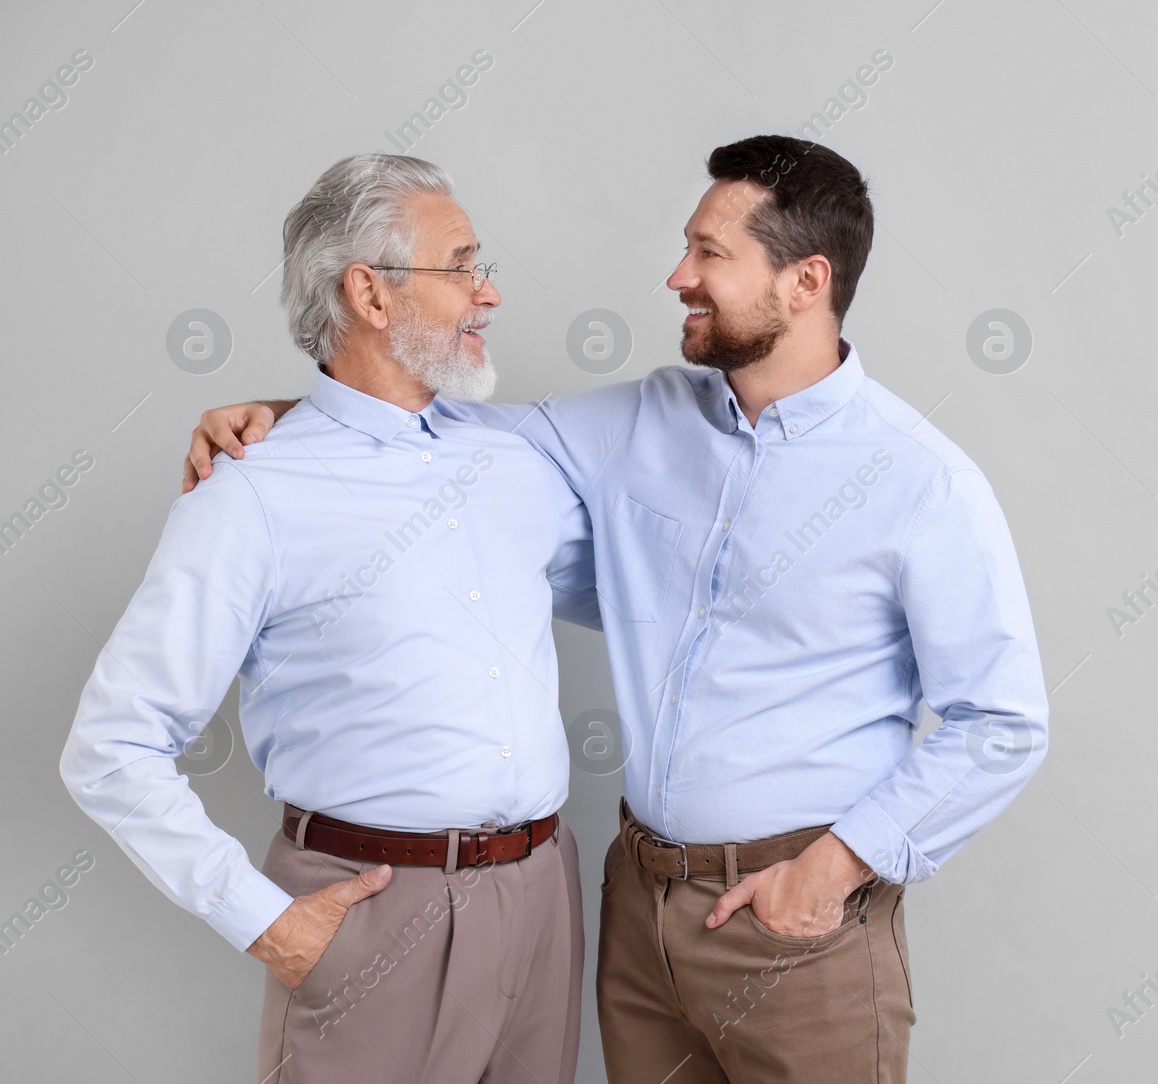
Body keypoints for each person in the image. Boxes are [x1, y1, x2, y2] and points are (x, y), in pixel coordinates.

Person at [184, 135, 1049, 1084]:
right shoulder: (637, 420)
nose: (679, 276)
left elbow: (1001, 722)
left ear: (806, 282)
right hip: (639, 919)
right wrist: (281, 413)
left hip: (801, 928)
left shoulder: (922, 482)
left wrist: (835, 870)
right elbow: (426, 426)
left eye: (710, 255)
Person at [63, 154, 596, 1084]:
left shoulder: (518, 457)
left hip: (543, 900)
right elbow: (111, 747)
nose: (491, 292)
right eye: (463, 265)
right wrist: (267, 924)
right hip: (373, 917)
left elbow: (665, 571)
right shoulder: (251, 495)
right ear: (371, 295)